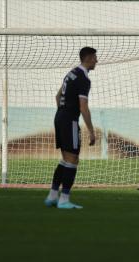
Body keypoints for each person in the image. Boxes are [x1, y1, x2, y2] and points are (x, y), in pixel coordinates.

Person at [44, 47, 98, 209]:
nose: (97, 60)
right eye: (95, 57)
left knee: (66, 159)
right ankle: (64, 200)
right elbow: (83, 107)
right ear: (88, 58)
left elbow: (58, 96)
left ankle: (52, 197)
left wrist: (63, 112)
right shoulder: (83, 78)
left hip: (59, 117)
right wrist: (91, 131)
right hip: (69, 120)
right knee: (73, 159)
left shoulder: (71, 73)